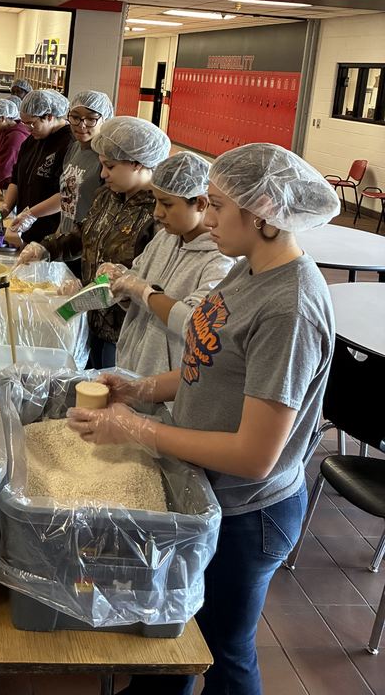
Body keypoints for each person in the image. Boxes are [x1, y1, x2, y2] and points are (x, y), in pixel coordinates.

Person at [67, 143, 340, 695]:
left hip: (249, 514)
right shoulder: (247, 270)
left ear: (263, 212)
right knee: (175, 630)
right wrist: (141, 388)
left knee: (223, 649)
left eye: (216, 206)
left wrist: (138, 429)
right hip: (206, 490)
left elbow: (255, 455)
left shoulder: (290, 308)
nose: (206, 218)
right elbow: (206, 361)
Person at [19, 117, 170, 370]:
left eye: (109, 166)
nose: (102, 174)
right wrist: (47, 248)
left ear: (137, 163)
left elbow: (152, 279)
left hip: (125, 330)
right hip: (93, 319)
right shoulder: (107, 196)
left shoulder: (157, 214)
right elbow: (84, 235)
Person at [101, 151, 235, 378]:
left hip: (170, 385)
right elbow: (137, 276)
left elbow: (194, 323)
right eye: (155, 201)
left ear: (201, 203)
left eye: (167, 204)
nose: (156, 213)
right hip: (134, 369)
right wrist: (120, 284)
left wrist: (142, 291)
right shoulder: (165, 238)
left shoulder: (219, 260)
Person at [1, 88, 72, 247]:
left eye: (32, 123)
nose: (28, 129)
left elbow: (66, 195)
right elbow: (17, 178)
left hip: (50, 235)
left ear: (49, 116)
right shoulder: (31, 140)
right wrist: (6, 208)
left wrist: (31, 214)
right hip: (25, 230)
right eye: (25, 123)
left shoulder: (69, 144)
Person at [59, 90, 114, 236]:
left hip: (85, 241)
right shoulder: (74, 147)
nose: (81, 125)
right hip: (65, 240)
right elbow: (67, 196)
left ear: (105, 119)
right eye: (75, 117)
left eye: (91, 119)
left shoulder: (106, 159)